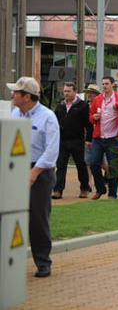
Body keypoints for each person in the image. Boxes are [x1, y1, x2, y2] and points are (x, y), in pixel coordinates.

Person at [7, 77, 59, 277]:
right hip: (16, 169)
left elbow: (52, 150)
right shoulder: (15, 114)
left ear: (27, 97)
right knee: (12, 218)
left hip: (40, 173)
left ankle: (43, 262)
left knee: (38, 219)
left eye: (16, 93)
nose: (12, 96)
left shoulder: (48, 117)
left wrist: (34, 172)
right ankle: (12, 261)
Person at [52, 82, 92, 199]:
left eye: (69, 91)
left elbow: (88, 124)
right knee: (60, 166)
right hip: (63, 141)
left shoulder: (83, 105)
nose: (66, 93)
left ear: (74, 92)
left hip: (77, 140)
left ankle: (84, 188)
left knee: (81, 165)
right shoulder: (60, 106)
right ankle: (58, 190)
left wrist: (88, 139)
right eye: (65, 91)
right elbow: (54, 122)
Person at [81, 84, 107, 185]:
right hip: (86, 135)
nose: (89, 95)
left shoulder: (101, 105)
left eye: (92, 93)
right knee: (87, 161)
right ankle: (88, 183)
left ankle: (112, 175)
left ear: (96, 94)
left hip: (99, 135)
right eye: (88, 93)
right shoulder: (84, 106)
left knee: (102, 162)